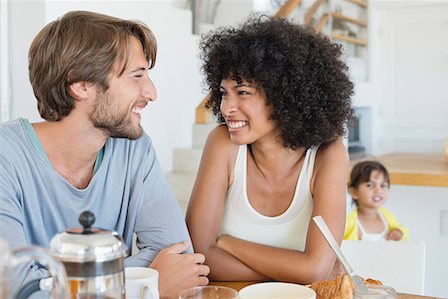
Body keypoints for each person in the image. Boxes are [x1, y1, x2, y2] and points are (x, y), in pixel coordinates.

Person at [0, 11, 209, 298]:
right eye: (137, 76)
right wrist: (141, 285)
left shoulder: (133, 148)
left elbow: (180, 258)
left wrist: (53, 282)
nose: (151, 92)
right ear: (81, 84)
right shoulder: (5, 156)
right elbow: (15, 289)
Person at [185, 16, 354, 283]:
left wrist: (228, 243)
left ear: (284, 96)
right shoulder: (222, 144)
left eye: (242, 93)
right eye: (224, 93)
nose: (226, 108)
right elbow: (198, 257)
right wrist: (295, 270)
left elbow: (315, 270)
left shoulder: (328, 155)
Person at [344, 161, 410, 241]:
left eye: (382, 185)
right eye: (370, 185)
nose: (378, 190)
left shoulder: (386, 215)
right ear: (354, 192)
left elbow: (404, 231)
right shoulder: (349, 222)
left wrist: (400, 232)